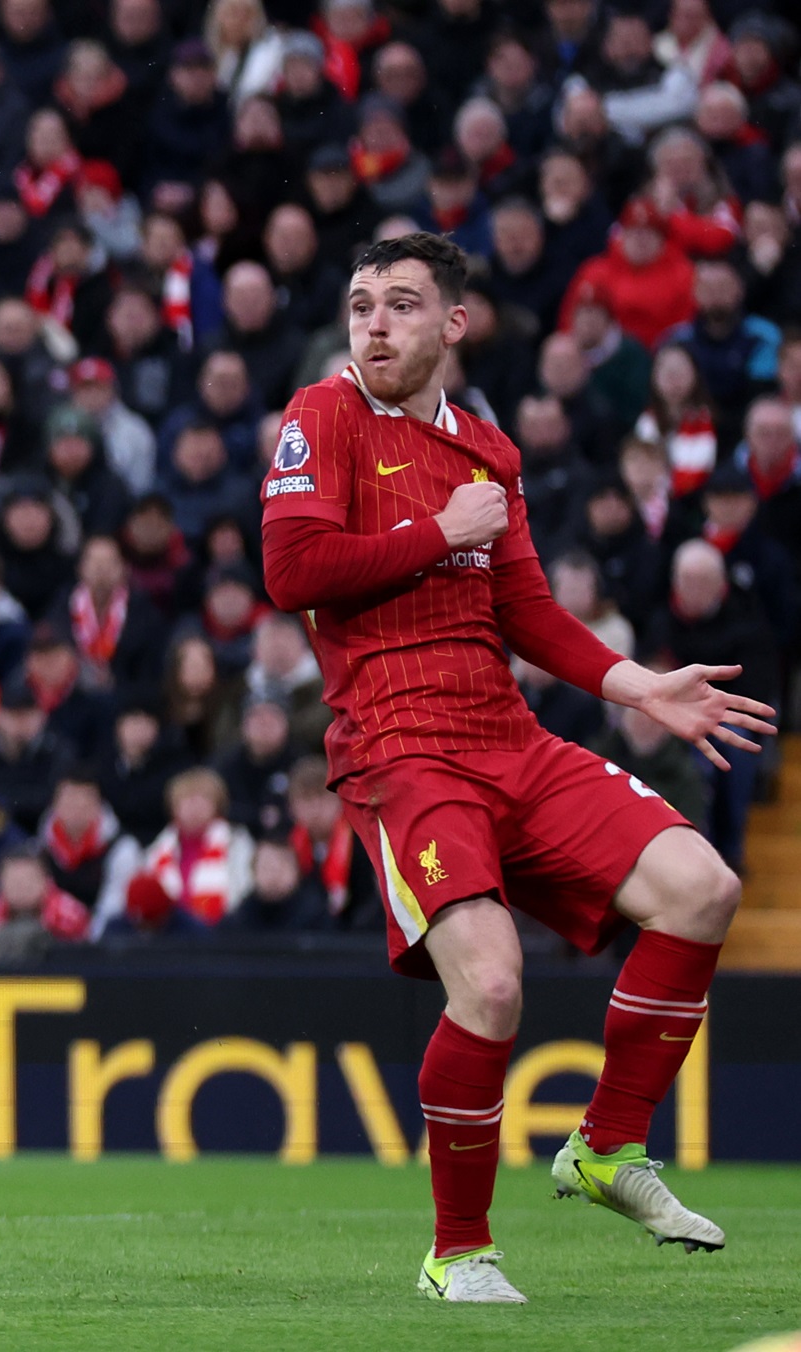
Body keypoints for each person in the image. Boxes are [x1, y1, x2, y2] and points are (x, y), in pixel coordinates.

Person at [259, 233, 768, 1302]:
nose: (375, 325)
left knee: (703, 888)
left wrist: (639, 686)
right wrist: (438, 530)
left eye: (400, 305)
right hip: (398, 748)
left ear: (454, 323)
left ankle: (605, 1146)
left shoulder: (491, 452)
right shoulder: (323, 415)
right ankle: (458, 1252)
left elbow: (524, 607)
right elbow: (290, 566)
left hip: (509, 735)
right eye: (361, 306)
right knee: (491, 984)